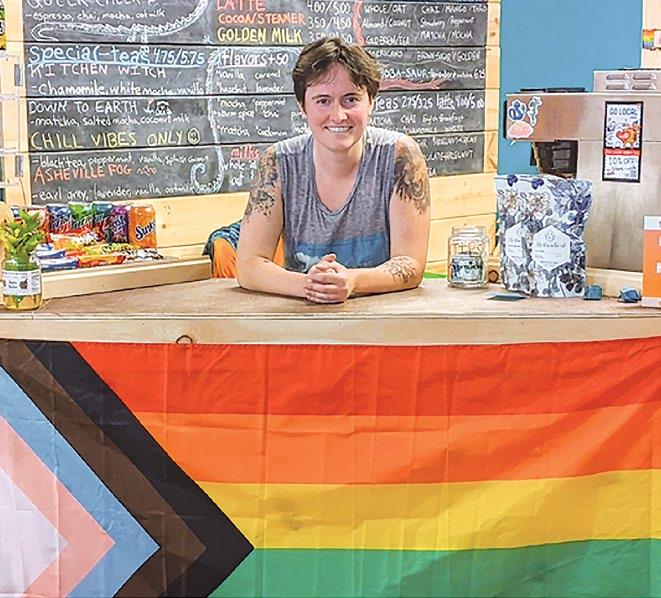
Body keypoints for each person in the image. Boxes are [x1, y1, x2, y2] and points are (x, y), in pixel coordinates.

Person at [236, 37, 430, 303]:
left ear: (371, 102)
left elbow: (410, 263)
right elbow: (249, 265)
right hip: (304, 316)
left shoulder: (400, 155)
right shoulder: (278, 163)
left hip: (382, 317)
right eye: (323, 101)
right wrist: (311, 285)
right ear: (303, 107)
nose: (338, 115)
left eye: (350, 99)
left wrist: (352, 281)